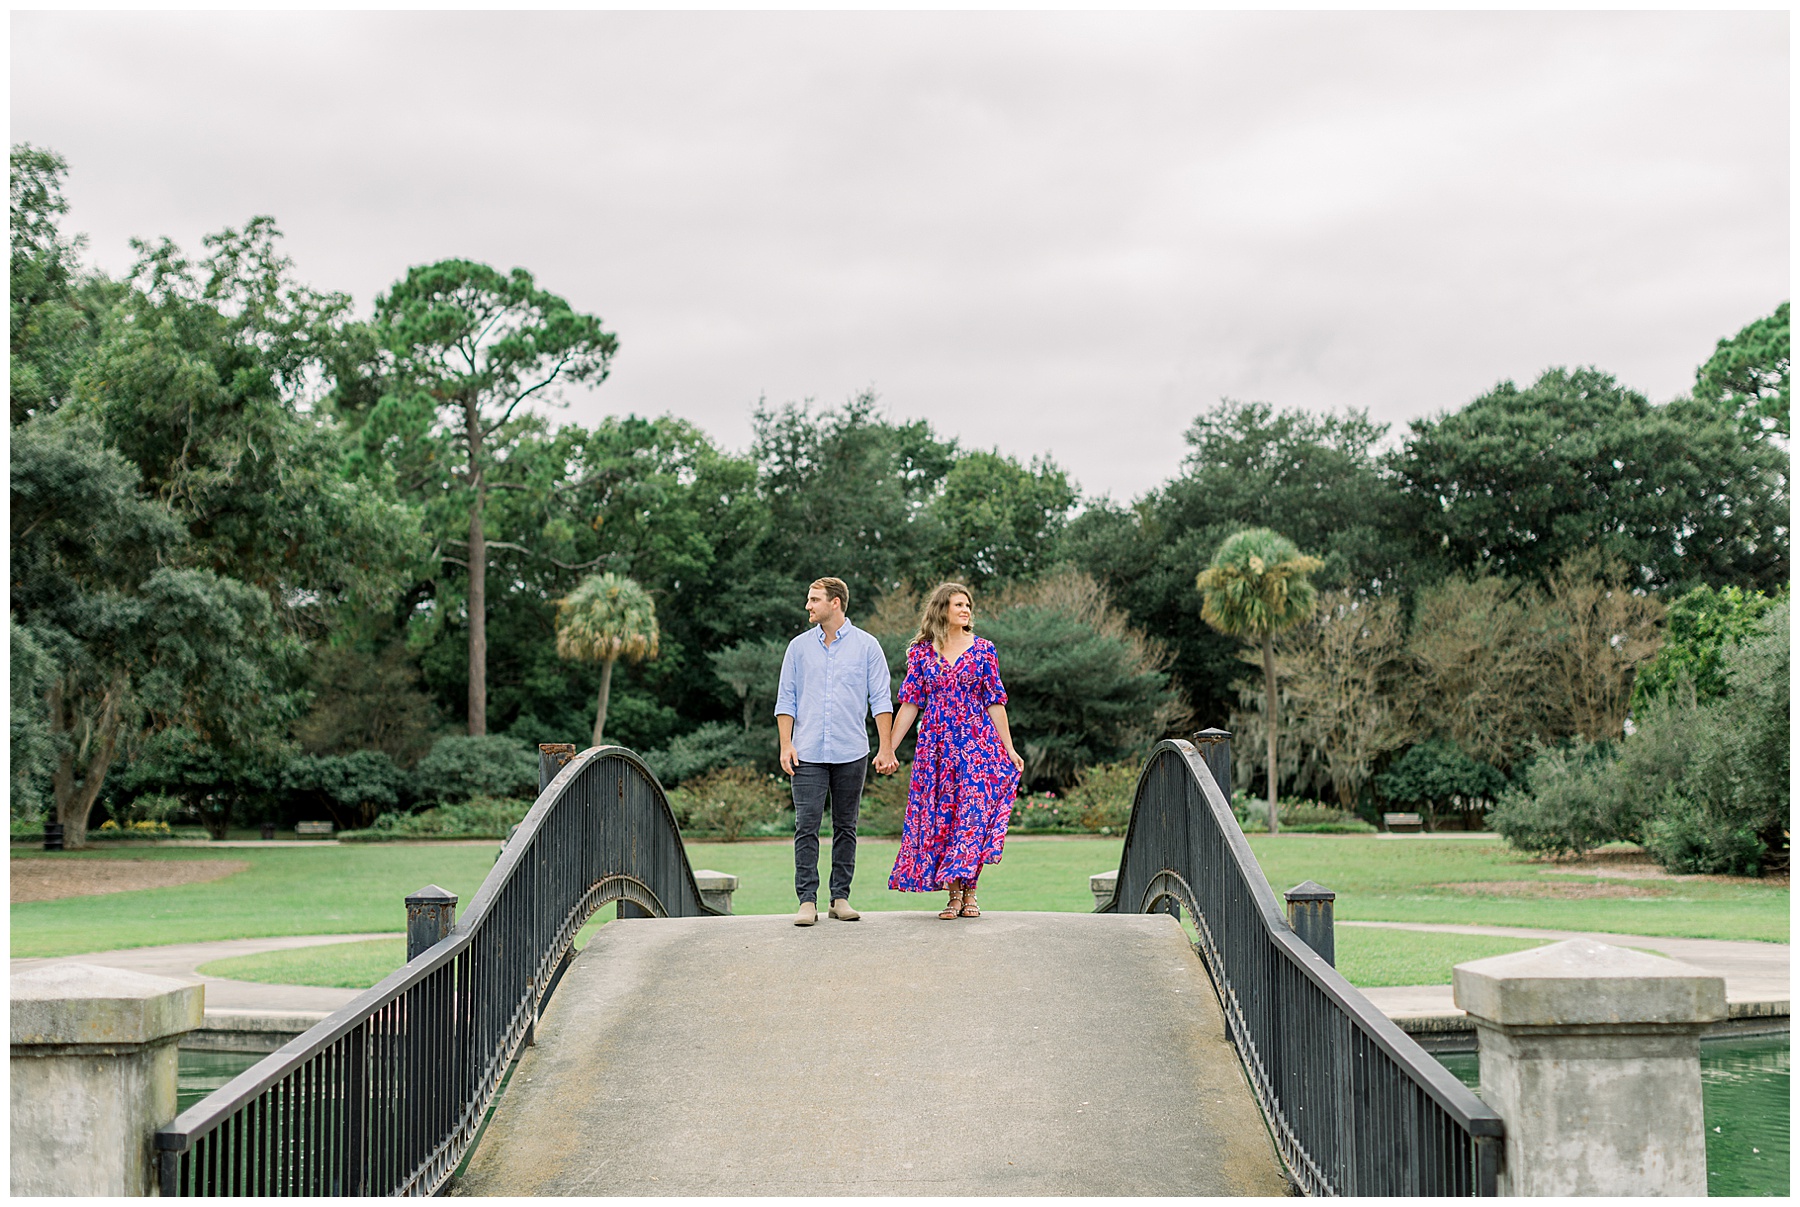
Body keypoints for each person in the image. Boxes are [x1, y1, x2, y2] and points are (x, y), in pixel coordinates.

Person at [878, 582, 1024, 919]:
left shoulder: (985, 650)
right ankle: (953, 896)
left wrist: (1009, 747)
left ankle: (970, 892)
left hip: (977, 744)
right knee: (942, 818)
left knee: (972, 816)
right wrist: (888, 749)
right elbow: (910, 704)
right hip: (936, 748)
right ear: (942, 609)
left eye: (968, 605)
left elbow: (995, 702)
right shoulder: (922, 653)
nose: (966, 610)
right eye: (959, 604)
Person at [774, 576, 897, 927]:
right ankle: (806, 901)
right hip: (807, 752)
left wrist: (885, 747)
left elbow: (881, 700)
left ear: (835, 603)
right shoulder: (798, 648)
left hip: (851, 751)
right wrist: (786, 744)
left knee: (846, 826)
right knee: (807, 825)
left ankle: (839, 897)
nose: (808, 606)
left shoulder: (867, 646)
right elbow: (786, 700)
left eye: (814, 600)